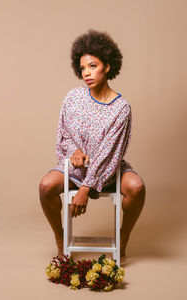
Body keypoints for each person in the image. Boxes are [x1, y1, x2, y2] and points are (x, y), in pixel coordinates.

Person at [39, 29, 146, 264]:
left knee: (137, 188)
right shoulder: (73, 98)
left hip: (108, 171)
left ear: (107, 66)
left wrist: (86, 189)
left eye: (93, 66)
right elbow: (63, 136)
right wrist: (74, 152)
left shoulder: (121, 108)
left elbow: (110, 153)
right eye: (83, 68)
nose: (86, 73)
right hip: (76, 169)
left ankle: (123, 237)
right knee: (46, 186)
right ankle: (60, 238)